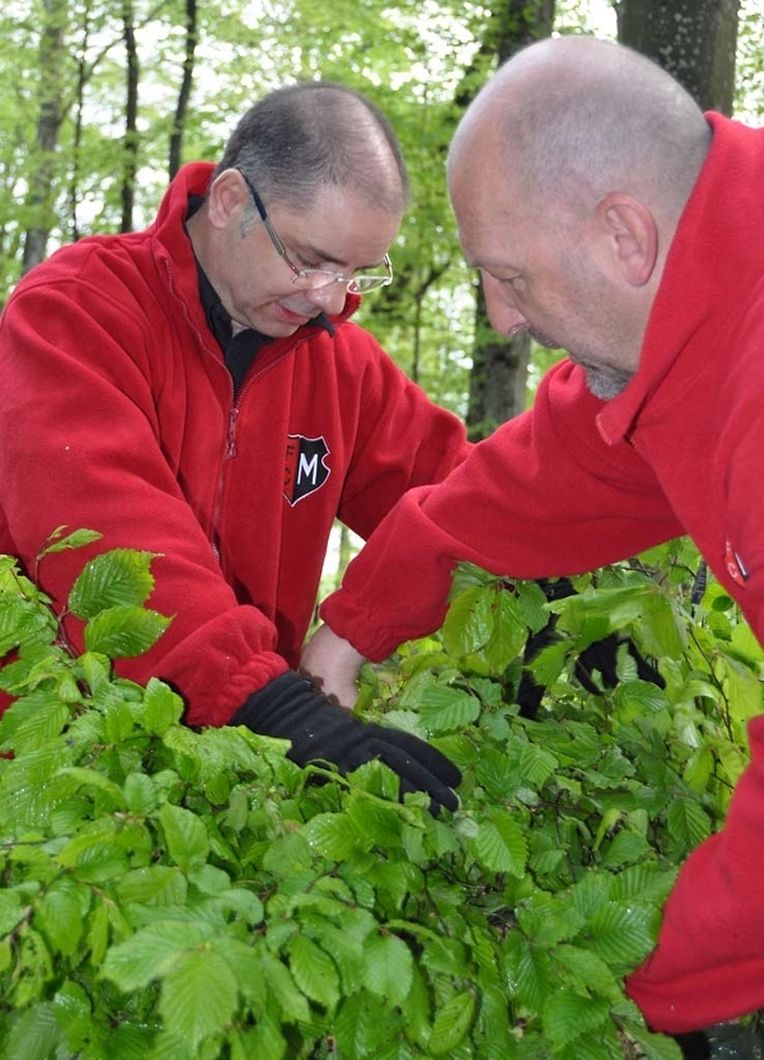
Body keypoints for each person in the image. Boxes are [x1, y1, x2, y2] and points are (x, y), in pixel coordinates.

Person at [303, 36, 764, 1038]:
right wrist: (354, 623)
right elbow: (553, 467)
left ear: (624, 237)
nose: (502, 319)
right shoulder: (696, 312)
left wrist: (618, 1000)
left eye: (508, 276)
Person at [0, 82, 468, 812]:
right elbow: (108, 536)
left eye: (356, 273)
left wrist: (548, 580)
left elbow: (452, 496)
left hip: (231, 775)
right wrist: (268, 703)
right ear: (228, 201)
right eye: (310, 259)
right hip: (51, 764)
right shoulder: (76, 311)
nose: (330, 298)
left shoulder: (342, 367)